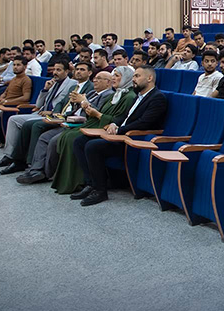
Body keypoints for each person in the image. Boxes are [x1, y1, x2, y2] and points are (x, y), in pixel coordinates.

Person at [71, 66, 168, 206]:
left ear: (149, 78)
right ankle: (90, 183)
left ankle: (100, 191)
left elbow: (144, 123)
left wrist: (119, 130)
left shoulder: (157, 98)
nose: (133, 79)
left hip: (133, 140)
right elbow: (125, 116)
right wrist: (114, 124)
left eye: (137, 76)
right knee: (80, 141)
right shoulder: (138, 96)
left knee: (93, 146)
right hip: (122, 135)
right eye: (133, 76)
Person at [47, 68, 136, 195]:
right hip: (97, 124)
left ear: (126, 78)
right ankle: (83, 182)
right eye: (113, 75)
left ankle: (83, 182)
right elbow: (102, 113)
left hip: (109, 130)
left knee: (76, 139)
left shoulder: (129, 97)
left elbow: (117, 120)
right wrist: (89, 110)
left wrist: (95, 113)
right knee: (70, 137)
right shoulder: (116, 94)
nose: (113, 78)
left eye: (117, 76)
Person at [15, 70, 113, 185]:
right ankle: (36, 170)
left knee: (54, 141)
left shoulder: (108, 95)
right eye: (95, 78)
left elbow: (98, 113)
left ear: (108, 82)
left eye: (99, 78)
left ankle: (46, 173)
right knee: (44, 137)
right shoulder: (92, 93)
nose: (95, 80)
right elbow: (75, 109)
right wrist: (73, 104)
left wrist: (83, 101)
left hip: (83, 124)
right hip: (70, 120)